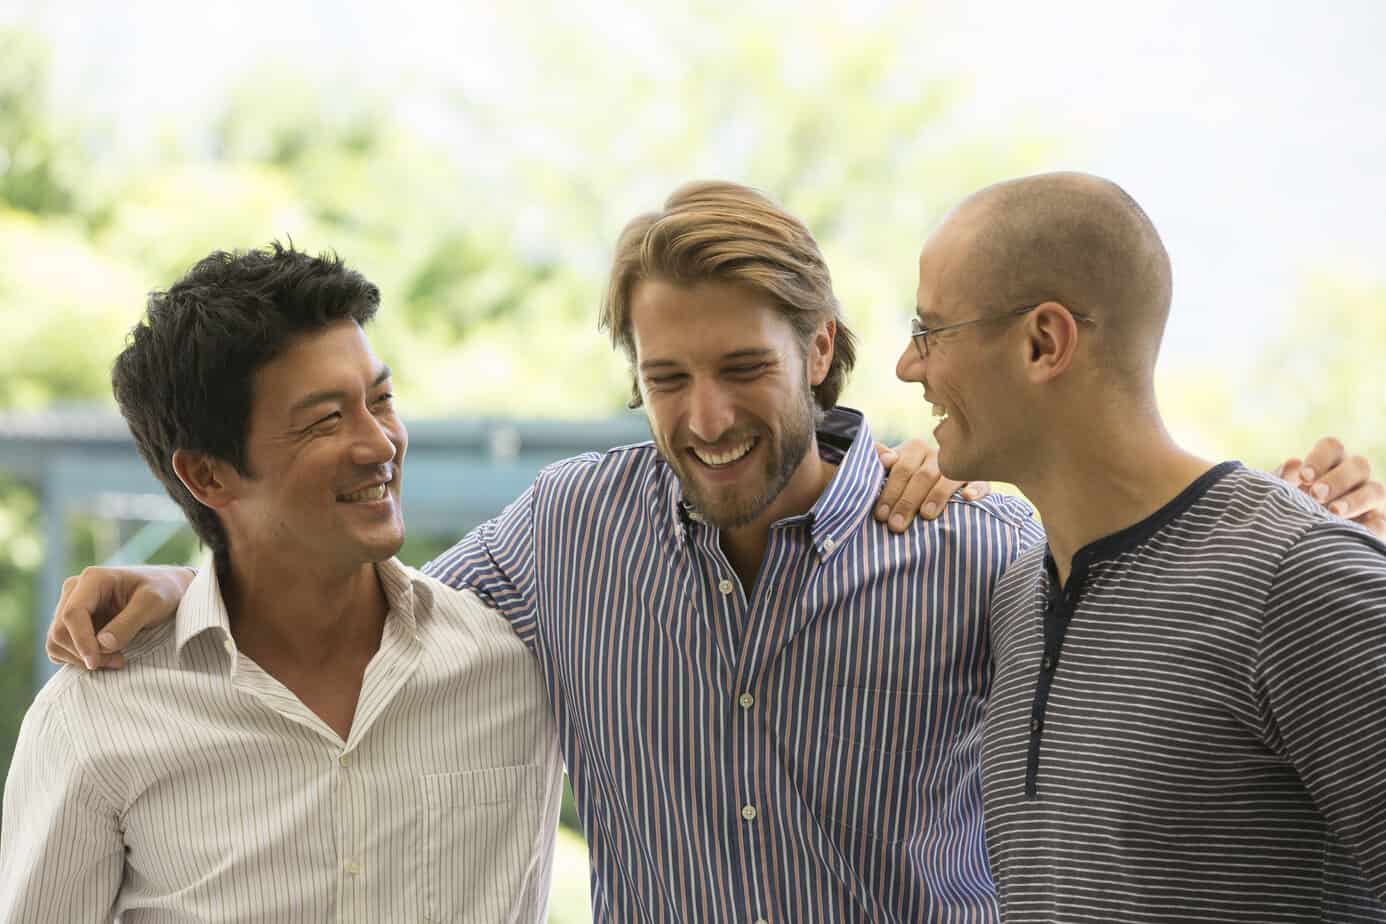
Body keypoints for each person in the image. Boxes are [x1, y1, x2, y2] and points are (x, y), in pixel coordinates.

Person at [44, 182, 1385, 922]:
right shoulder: (567, 531)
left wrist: (1305, 512)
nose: (705, 416)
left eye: (742, 366)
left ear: (819, 347)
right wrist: (186, 574)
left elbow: (1159, 562)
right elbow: (363, 626)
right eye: (662, 374)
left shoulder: (979, 546)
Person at [1, 244, 564, 923]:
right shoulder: (95, 720)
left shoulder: (516, 660)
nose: (380, 444)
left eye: (380, 399)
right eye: (326, 420)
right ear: (208, 476)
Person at [894, 171, 1386, 920]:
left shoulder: (1302, 585)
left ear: (1043, 341)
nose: (908, 365)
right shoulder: (1019, 597)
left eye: (931, 331)